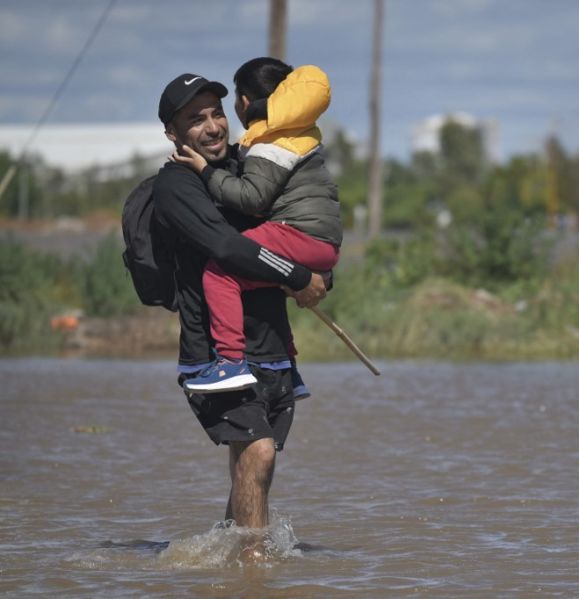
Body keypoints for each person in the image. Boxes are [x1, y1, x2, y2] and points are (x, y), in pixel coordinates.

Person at [151, 72, 327, 538]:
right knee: (259, 452)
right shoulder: (175, 187)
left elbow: (301, 227)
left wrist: (321, 275)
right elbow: (226, 247)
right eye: (195, 119)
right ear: (173, 134)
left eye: (216, 114)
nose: (212, 127)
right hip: (216, 356)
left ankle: (224, 562)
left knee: (252, 467)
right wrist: (296, 276)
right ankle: (254, 571)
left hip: (273, 352)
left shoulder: (252, 166)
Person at [171, 58, 342, 394]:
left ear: (244, 103)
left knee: (221, 271)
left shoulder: (269, 140)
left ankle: (231, 362)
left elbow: (252, 198)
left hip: (298, 233)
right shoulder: (301, 134)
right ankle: (289, 369)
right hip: (323, 243)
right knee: (262, 275)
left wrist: (205, 171)